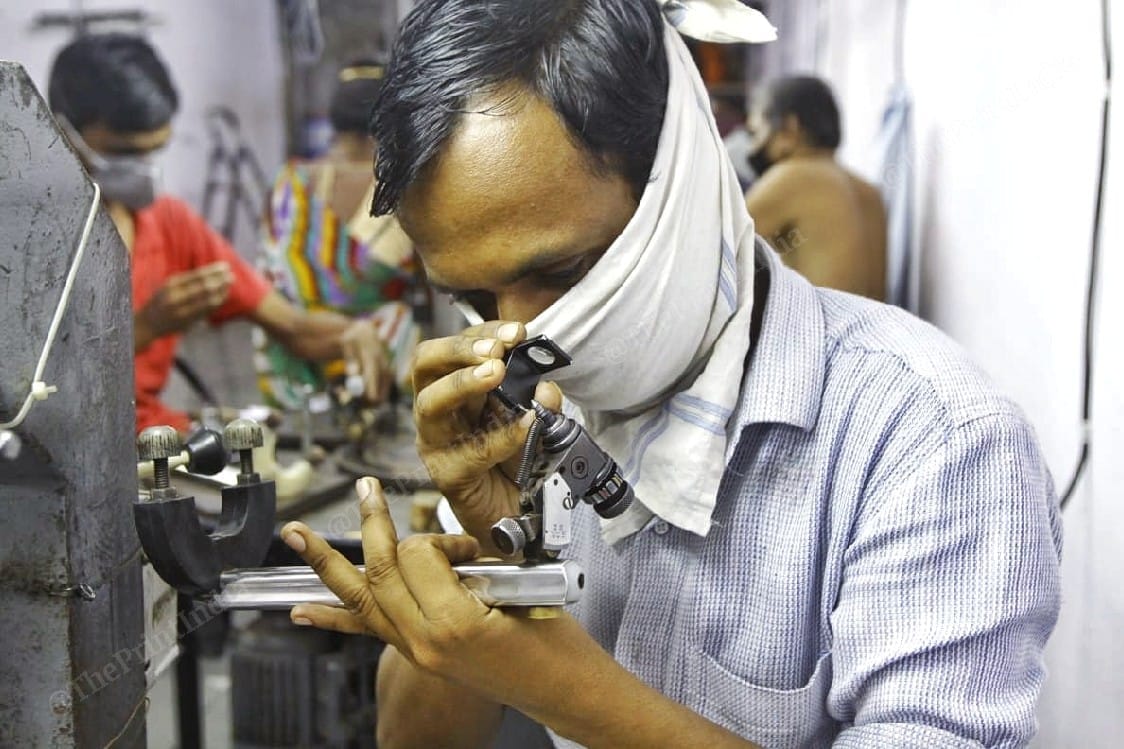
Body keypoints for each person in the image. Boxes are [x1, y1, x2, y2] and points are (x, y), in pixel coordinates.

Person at [277, 1, 1061, 748]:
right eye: (474, 299)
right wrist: (495, 562)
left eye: (563, 270)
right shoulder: (524, 425)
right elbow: (413, 739)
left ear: (675, 187)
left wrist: (558, 684)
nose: (517, 340)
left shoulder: (932, 442)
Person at [48, 33, 390, 434]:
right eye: (124, 153)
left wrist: (351, 333)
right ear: (62, 130)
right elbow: (32, 397)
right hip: (64, 450)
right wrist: (145, 328)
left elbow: (292, 327)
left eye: (153, 152)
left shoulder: (169, 223)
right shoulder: (31, 242)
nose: (144, 169)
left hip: (153, 441)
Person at [258, 60, 417, 411]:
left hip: (293, 358)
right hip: (381, 361)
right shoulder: (404, 189)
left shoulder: (290, 183)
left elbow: (269, 272)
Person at [745, 75, 888, 300]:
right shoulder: (869, 192)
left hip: (820, 334)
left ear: (790, 128)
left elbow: (716, 257)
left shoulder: (793, 176)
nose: (753, 147)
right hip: (872, 333)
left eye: (756, 132)